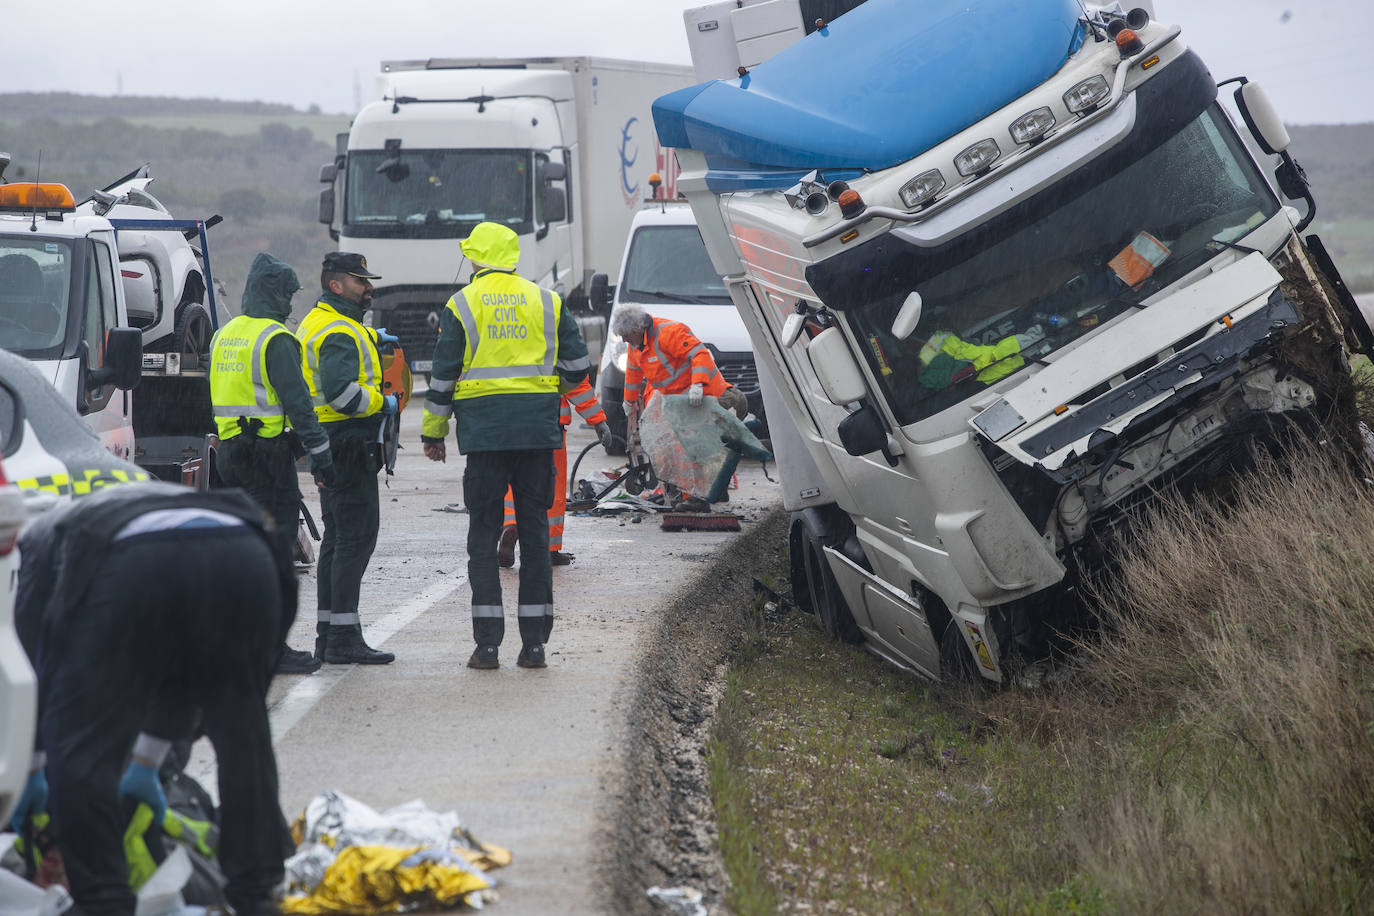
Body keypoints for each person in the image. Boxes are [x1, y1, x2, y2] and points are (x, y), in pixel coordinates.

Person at [10, 479, 298, 916]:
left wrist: (32, 764)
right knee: (243, 733)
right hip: (246, 550)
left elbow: (36, 666)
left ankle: (104, 900)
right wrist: (146, 761)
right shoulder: (115, 505)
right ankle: (256, 891)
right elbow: (177, 668)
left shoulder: (34, 543)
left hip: (135, 562)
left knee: (81, 745)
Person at [421, 221, 592, 670]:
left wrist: (433, 434)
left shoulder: (463, 304)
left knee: (483, 536)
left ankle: (487, 647)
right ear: (513, 258)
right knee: (535, 535)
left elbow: (442, 378)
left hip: (485, 439)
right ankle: (534, 646)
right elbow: (577, 366)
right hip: (537, 434)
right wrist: (554, 389)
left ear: (477, 259)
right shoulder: (547, 301)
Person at [210, 252, 334, 675]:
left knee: (242, 553)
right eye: (287, 295)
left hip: (230, 458)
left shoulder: (225, 335)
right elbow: (299, 405)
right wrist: (320, 452)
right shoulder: (275, 339)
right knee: (275, 557)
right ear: (275, 293)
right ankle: (272, 648)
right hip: (267, 459)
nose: (290, 304)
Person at [298, 251, 398, 665]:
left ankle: (330, 634)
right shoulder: (339, 330)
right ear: (336, 285)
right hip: (349, 443)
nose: (368, 287)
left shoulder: (322, 322)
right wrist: (383, 401)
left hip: (328, 443)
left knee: (338, 541)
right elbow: (342, 393)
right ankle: (343, 640)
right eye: (360, 281)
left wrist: (371, 341)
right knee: (356, 539)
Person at [611, 305, 749, 510]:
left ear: (638, 329)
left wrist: (698, 384)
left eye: (625, 335)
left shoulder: (668, 332)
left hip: (709, 394)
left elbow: (700, 354)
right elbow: (633, 375)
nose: (623, 340)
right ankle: (706, 491)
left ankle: (699, 498)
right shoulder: (636, 346)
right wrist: (629, 401)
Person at [498, 376, 612, 567]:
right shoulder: (555, 343)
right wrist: (598, 420)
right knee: (550, 483)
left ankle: (511, 524)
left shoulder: (494, 344)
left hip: (507, 416)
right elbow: (574, 380)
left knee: (512, 477)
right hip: (548, 418)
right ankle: (548, 549)